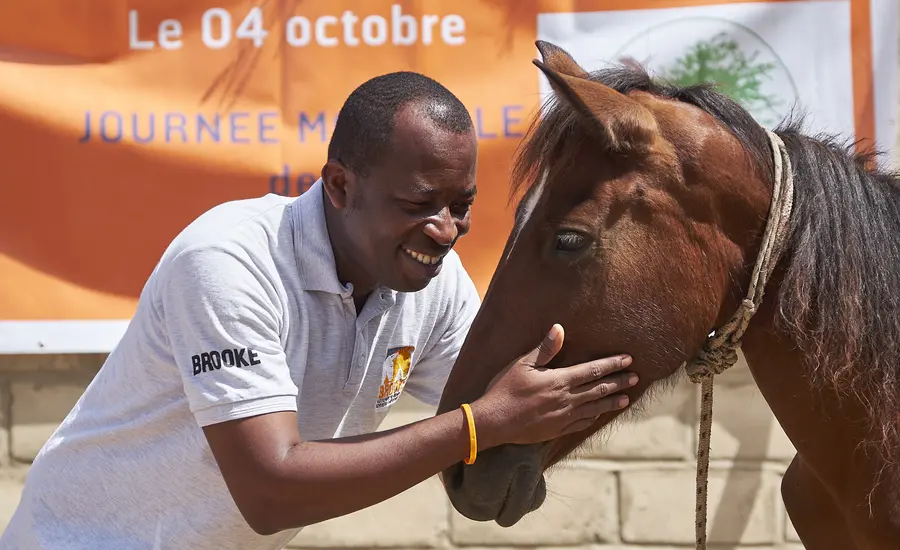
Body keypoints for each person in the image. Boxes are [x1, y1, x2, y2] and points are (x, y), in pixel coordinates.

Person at [0, 71, 637, 549]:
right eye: (418, 204)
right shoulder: (229, 260)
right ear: (339, 186)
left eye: (461, 205)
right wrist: (479, 427)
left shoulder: (432, 281)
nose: (446, 230)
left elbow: (508, 397)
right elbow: (270, 491)